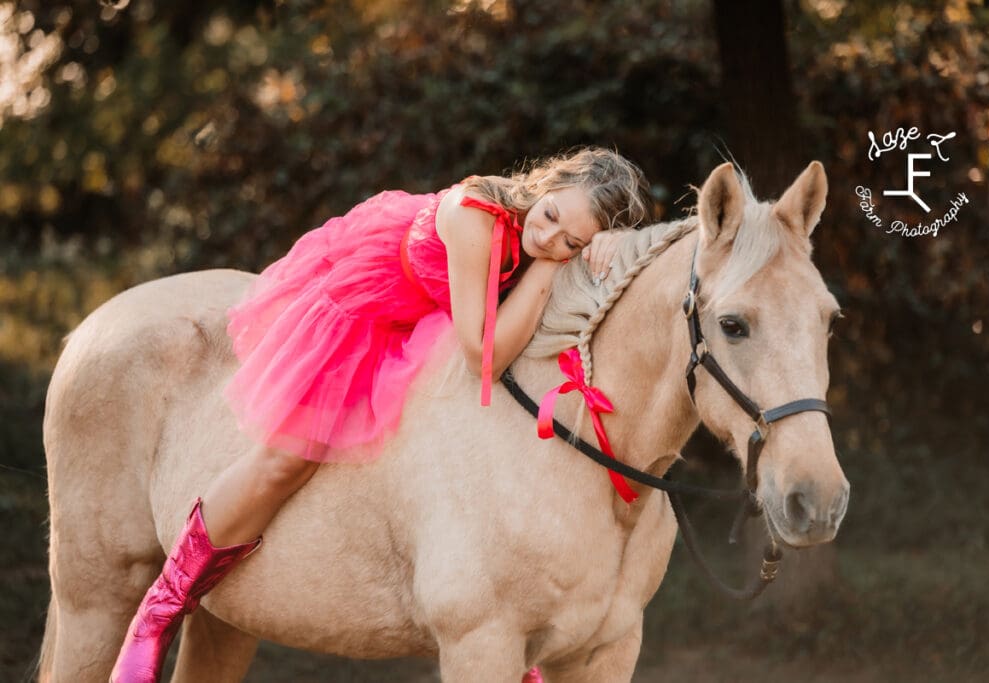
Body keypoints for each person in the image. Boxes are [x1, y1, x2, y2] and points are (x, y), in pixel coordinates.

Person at [109, 147, 654, 682]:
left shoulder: (556, 242)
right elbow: (481, 354)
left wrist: (602, 250)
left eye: (572, 240)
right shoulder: (477, 217)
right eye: (552, 215)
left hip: (427, 328)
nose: (548, 238)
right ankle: (159, 611)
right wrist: (551, 269)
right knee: (287, 461)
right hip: (364, 311)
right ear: (547, 184)